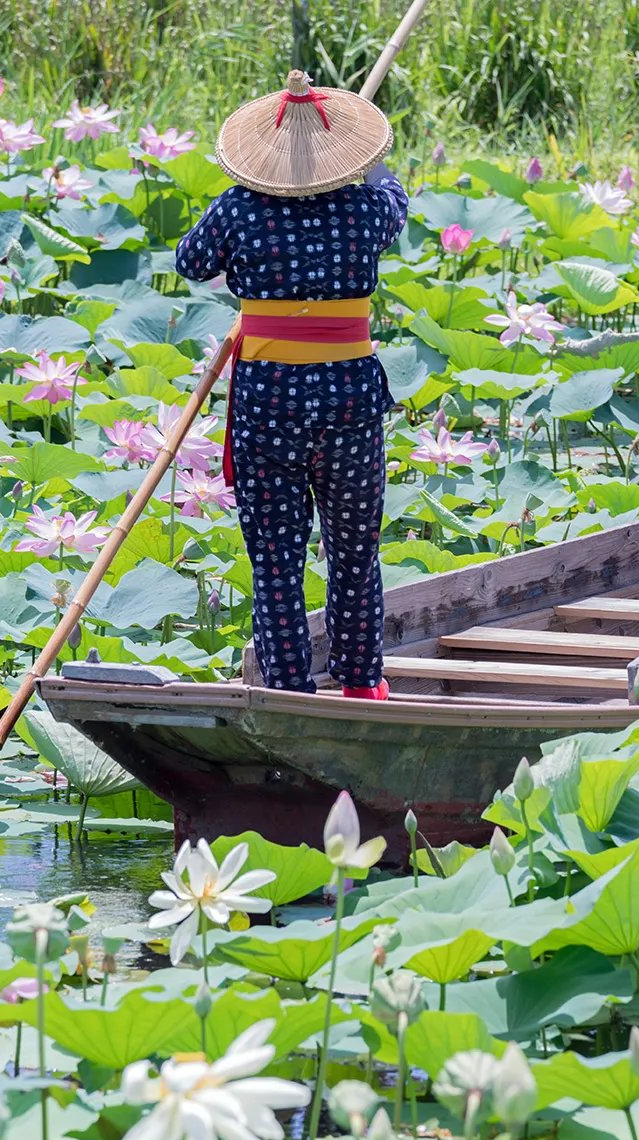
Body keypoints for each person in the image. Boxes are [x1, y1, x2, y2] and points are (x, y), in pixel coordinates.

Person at [174, 71, 407, 698]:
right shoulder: (367, 208)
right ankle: (361, 681)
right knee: (354, 549)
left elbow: (191, 262)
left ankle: (286, 689)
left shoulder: (238, 209)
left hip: (269, 400)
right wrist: (373, 169)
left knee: (276, 561)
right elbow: (395, 199)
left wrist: (240, 206)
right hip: (348, 398)